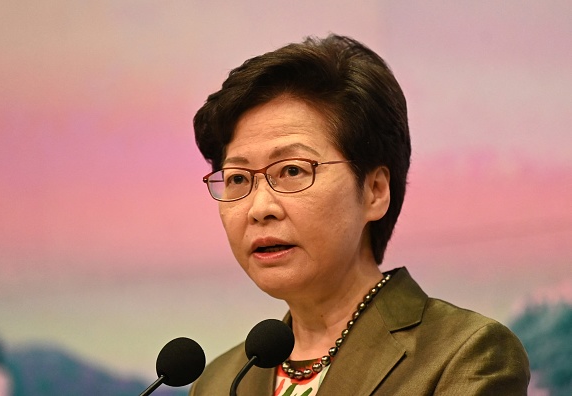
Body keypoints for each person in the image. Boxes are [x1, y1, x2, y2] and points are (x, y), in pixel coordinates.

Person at [189, 34, 530, 395]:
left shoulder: (462, 354)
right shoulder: (218, 381)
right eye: (239, 178)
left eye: (291, 171)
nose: (260, 209)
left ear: (375, 191)